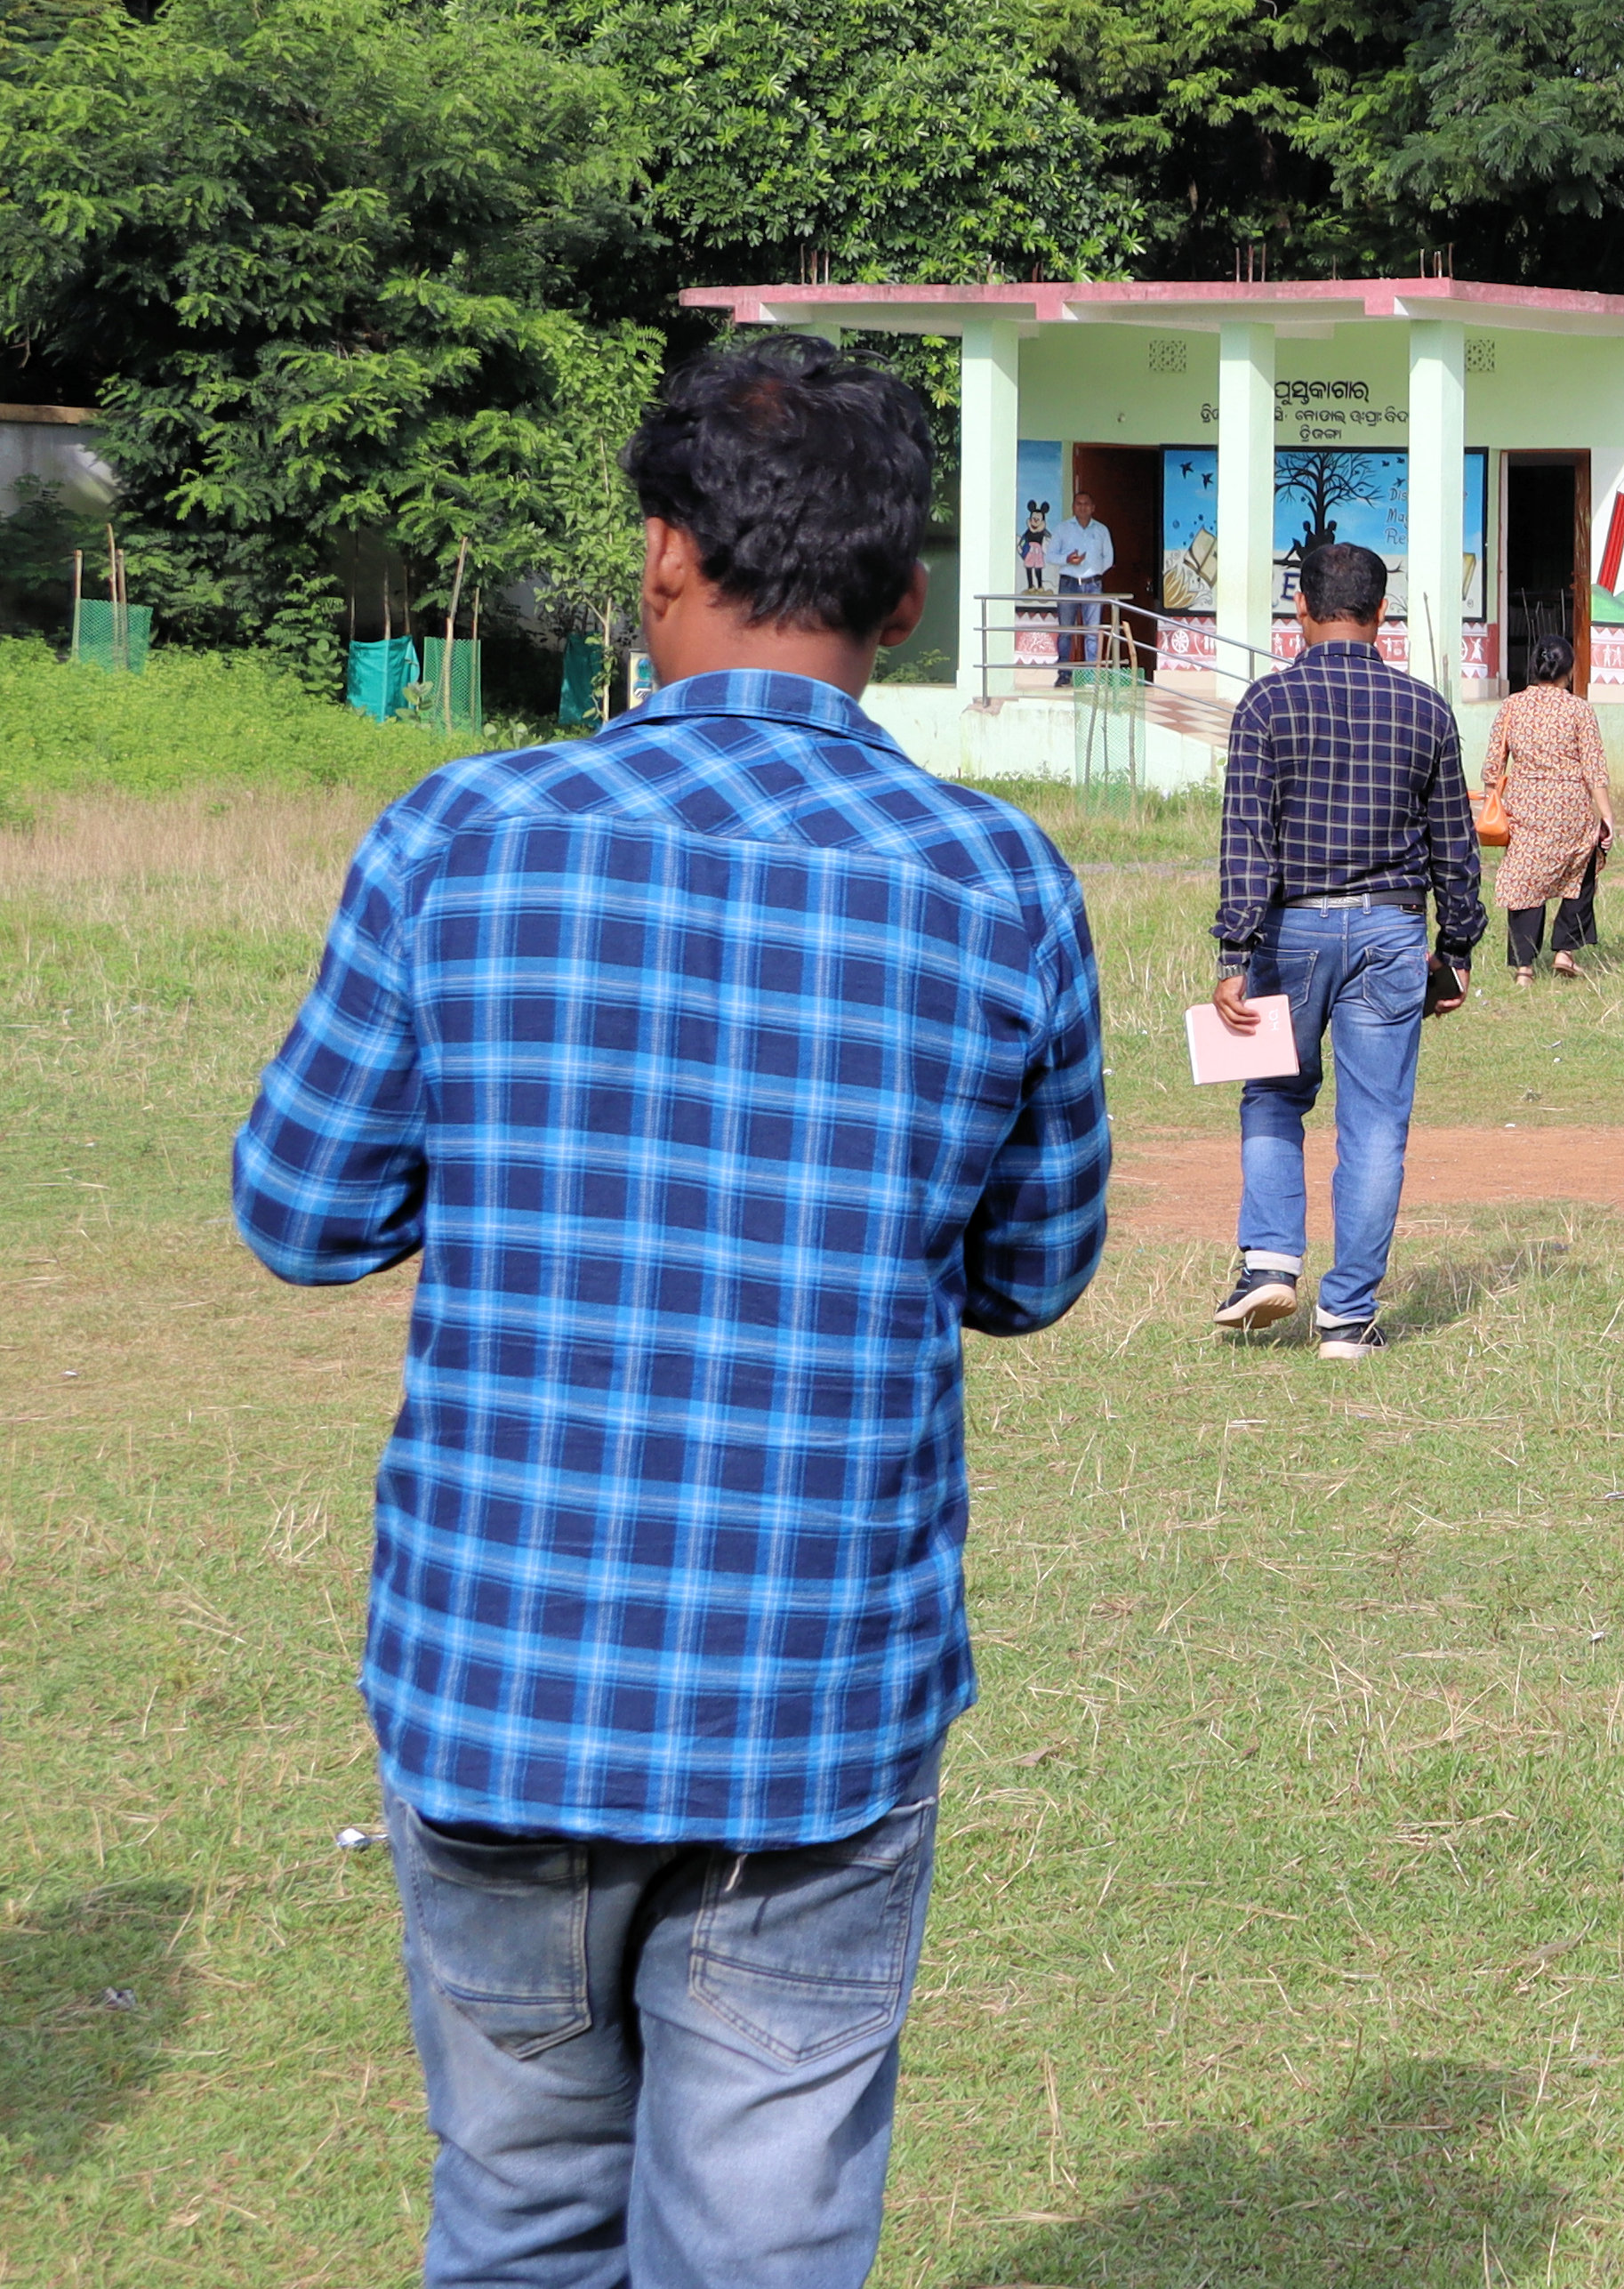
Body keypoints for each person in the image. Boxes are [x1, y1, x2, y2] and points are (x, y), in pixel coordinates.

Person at [233, 330, 1113, 2288]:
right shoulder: (996, 882)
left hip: (500, 1683)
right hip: (814, 1707)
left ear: (656, 559)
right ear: (904, 601)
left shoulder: (458, 839)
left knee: (523, 2219)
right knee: (762, 2252)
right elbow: (1035, 1270)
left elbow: (301, 1209)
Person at [1209, 538, 1480, 1357]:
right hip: (1393, 933)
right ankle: (1348, 1316)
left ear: (1299, 610)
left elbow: (1245, 840)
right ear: (1381, 616)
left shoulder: (1264, 705)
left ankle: (1268, 1263)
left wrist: (1233, 950)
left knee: (1272, 1095)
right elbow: (1455, 846)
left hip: (1289, 930)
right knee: (1374, 1125)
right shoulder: (1427, 710)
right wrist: (1458, 946)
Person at [1484, 633, 1615, 980]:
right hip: (1571, 808)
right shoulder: (1579, 709)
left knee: (1525, 882)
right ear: (1568, 670)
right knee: (1581, 871)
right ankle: (1565, 952)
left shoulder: (1512, 706)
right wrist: (1607, 816)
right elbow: (1594, 770)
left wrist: (1491, 803)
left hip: (1525, 809)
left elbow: (1493, 766)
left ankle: (1525, 968)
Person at [1038, 495, 1115, 681]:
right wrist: (1067, 559)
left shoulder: (1102, 530)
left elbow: (1109, 559)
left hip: (1093, 584)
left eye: (1086, 504)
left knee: (1092, 632)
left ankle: (1091, 676)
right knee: (1066, 631)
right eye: (1078, 504)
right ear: (1073, 507)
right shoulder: (1063, 529)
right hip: (1069, 583)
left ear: (1093, 507)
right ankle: (1064, 674)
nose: (1082, 507)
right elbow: (1050, 556)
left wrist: (1093, 572)